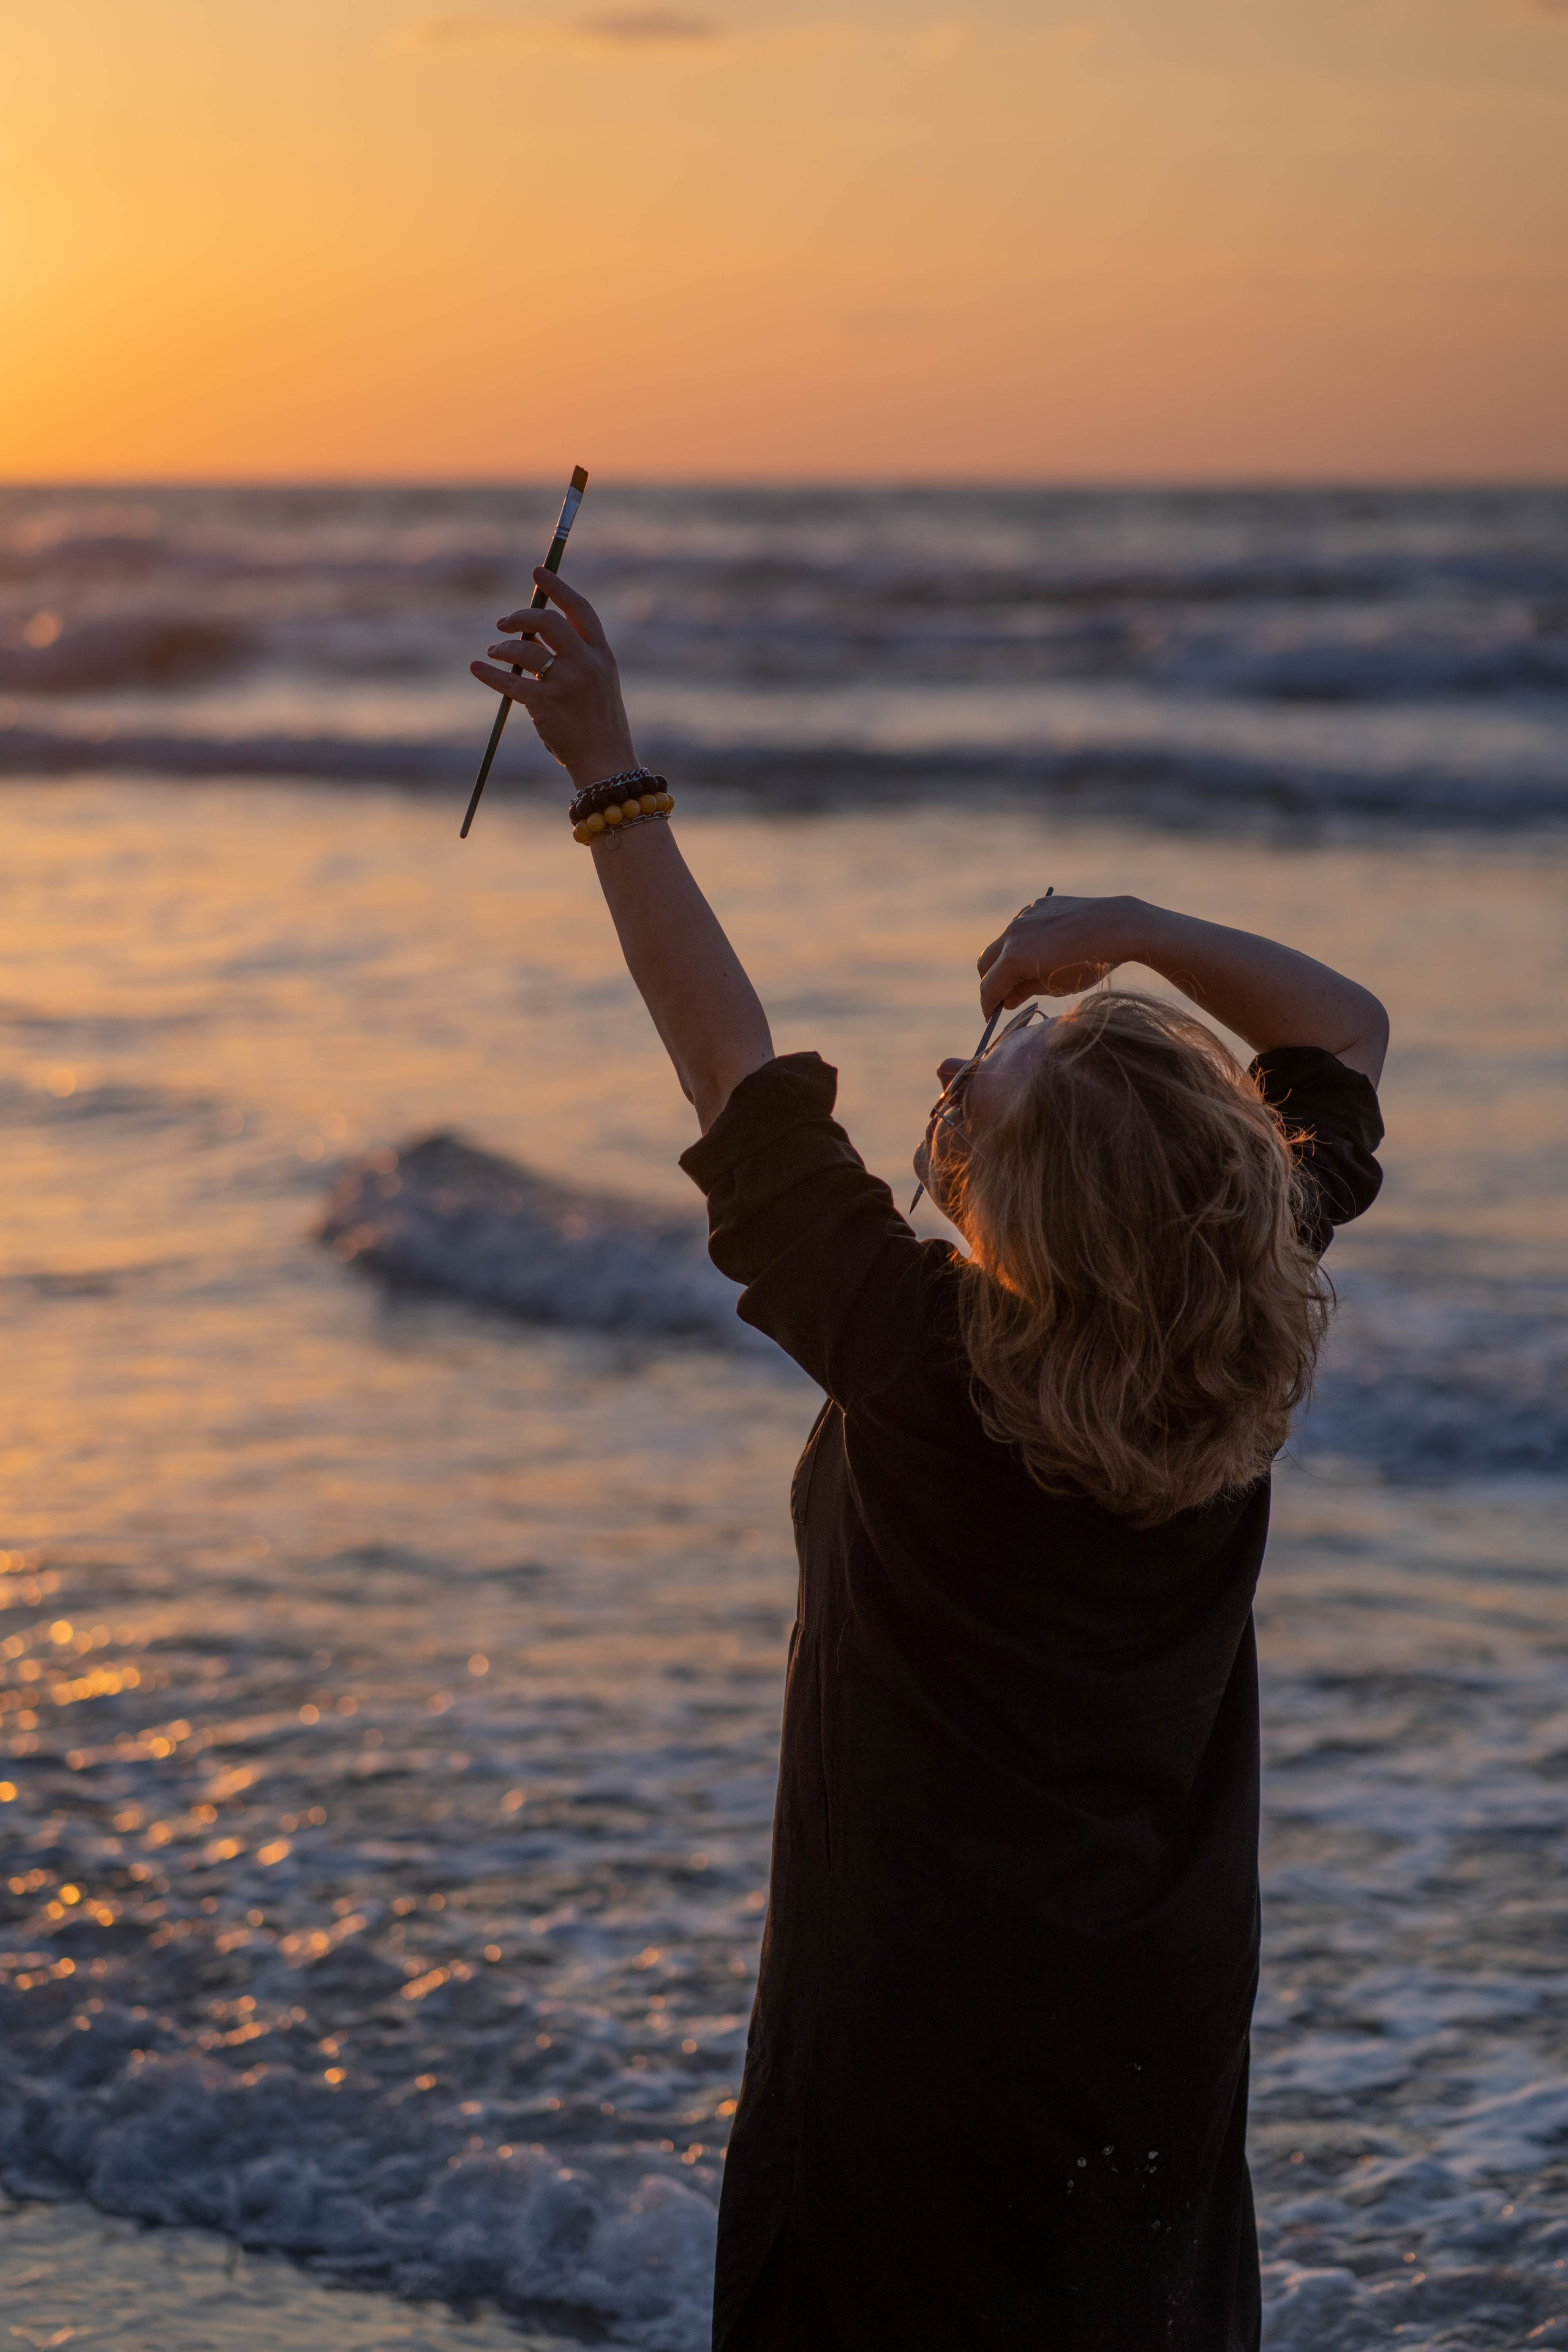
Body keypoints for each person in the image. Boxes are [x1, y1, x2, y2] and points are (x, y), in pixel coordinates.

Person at [472, 571, 1387, 2352]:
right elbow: (1340, 1031)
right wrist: (1120, 926)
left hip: (904, 2028)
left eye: (982, 1085)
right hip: (1148, 2028)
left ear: (1008, 1204)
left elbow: (730, 1070)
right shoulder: (1242, 1315)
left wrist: (610, 774)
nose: (950, 1080)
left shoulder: (929, 1363)